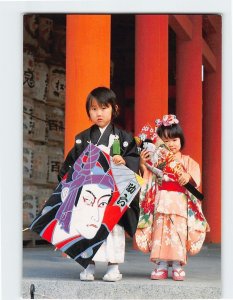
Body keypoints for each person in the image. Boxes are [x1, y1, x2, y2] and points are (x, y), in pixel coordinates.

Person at [58, 86, 140, 282]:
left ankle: (113, 266)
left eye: (104, 108)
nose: (99, 113)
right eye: (94, 109)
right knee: (87, 228)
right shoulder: (82, 138)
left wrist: (125, 161)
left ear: (114, 109)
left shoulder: (125, 138)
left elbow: (134, 162)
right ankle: (88, 265)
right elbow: (69, 165)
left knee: (114, 229)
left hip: (113, 194)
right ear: (89, 112)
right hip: (89, 194)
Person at [137, 114, 209, 281]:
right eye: (166, 141)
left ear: (181, 140)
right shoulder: (157, 160)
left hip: (179, 202)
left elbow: (194, 179)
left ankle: (177, 264)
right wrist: (142, 164)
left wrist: (186, 177)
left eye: (174, 140)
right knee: (161, 231)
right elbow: (147, 178)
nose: (171, 144)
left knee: (178, 231)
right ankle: (161, 264)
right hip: (161, 200)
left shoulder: (188, 161)